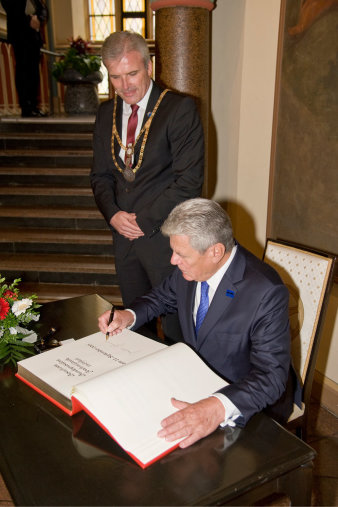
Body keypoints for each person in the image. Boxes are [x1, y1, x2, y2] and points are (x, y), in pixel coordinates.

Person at [98, 198, 301, 449]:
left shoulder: (265, 292)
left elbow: (271, 376)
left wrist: (215, 407)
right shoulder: (193, 268)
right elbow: (163, 296)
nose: (173, 261)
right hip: (196, 380)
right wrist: (129, 315)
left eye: (181, 254)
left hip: (248, 403)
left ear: (215, 251)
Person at [90, 31, 204, 341]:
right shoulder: (104, 115)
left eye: (132, 73)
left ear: (150, 66)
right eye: (115, 77)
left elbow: (189, 182)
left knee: (176, 328)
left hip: (168, 241)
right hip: (124, 242)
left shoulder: (179, 109)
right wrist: (113, 214)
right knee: (134, 328)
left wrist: (143, 221)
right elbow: (100, 177)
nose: (124, 85)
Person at [1, 0, 48, 117]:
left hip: (34, 37)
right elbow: (11, 9)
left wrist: (39, 19)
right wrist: (29, 20)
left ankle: (34, 105)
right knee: (23, 71)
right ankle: (26, 107)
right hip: (20, 35)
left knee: (34, 72)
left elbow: (43, 9)